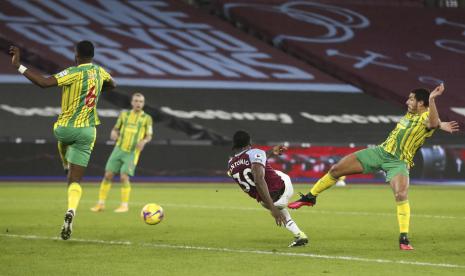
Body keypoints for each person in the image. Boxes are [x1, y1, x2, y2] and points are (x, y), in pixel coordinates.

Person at [288, 84, 459, 250]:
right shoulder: (411, 115)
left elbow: (433, 122)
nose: (407, 102)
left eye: (411, 99)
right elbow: (436, 123)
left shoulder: (426, 117)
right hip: (379, 152)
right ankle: (310, 197)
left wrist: (433, 101)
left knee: (401, 194)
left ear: (421, 103)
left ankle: (403, 237)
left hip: (398, 162)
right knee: (335, 170)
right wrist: (442, 124)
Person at [9, 41, 116, 240]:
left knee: (63, 139)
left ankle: (65, 163)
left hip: (65, 129)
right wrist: (95, 91)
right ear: (93, 55)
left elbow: (43, 83)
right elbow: (113, 84)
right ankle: (71, 211)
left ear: (76, 55)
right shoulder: (100, 72)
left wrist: (18, 65)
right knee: (75, 181)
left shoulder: (73, 72)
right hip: (88, 131)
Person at [228, 130, 308, 247]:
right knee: (270, 174)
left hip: (264, 201)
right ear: (249, 142)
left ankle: (298, 233)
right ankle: (300, 229)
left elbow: (253, 161)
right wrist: (273, 209)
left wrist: (271, 207)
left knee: (278, 208)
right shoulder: (255, 152)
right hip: (283, 189)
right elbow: (259, 179)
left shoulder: (230, 164)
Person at [91, 93, 153, 213]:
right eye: (136, 101)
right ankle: (100, 204)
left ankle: (124, 205)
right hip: (118, 149)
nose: (138, 103)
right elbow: (115, 128)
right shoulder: (124, 115)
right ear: (132, 102)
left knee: (124, 177)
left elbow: (149, 135)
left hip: (132, 152)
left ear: (143, 104)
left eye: (141, 101)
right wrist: (113, 132)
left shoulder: (147, 118)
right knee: (108, 175)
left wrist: (144, 141)